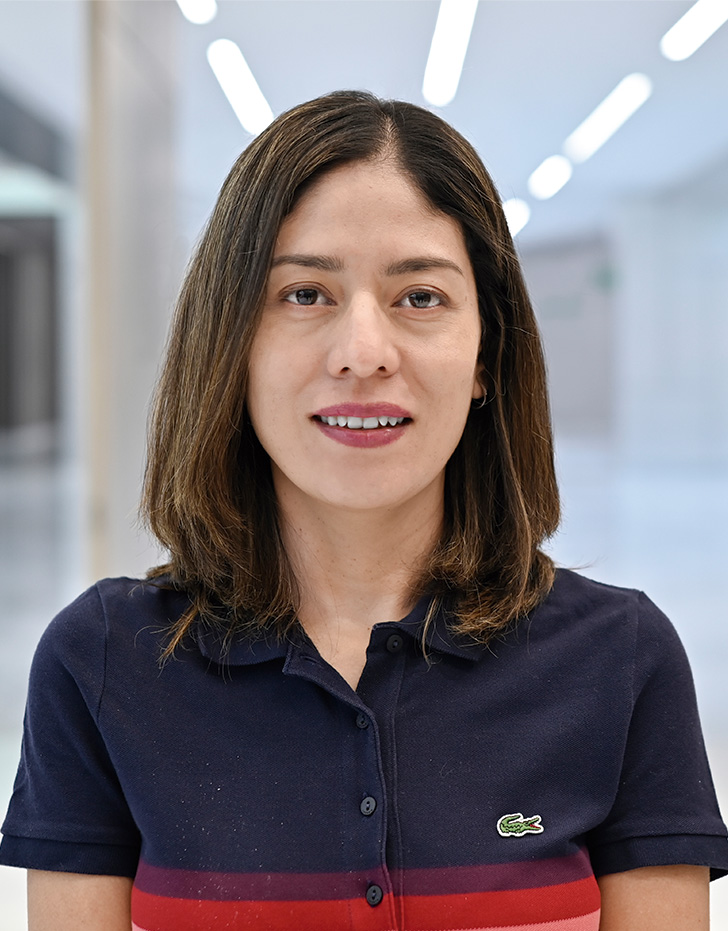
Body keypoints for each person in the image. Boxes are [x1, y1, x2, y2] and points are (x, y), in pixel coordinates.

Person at [1, 90, 726, 931]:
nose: (363, 354)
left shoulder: (622, 662)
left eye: (420, 296)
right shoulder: (102, 663)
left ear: (488, 351)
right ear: (230, 342)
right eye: (305, 294)